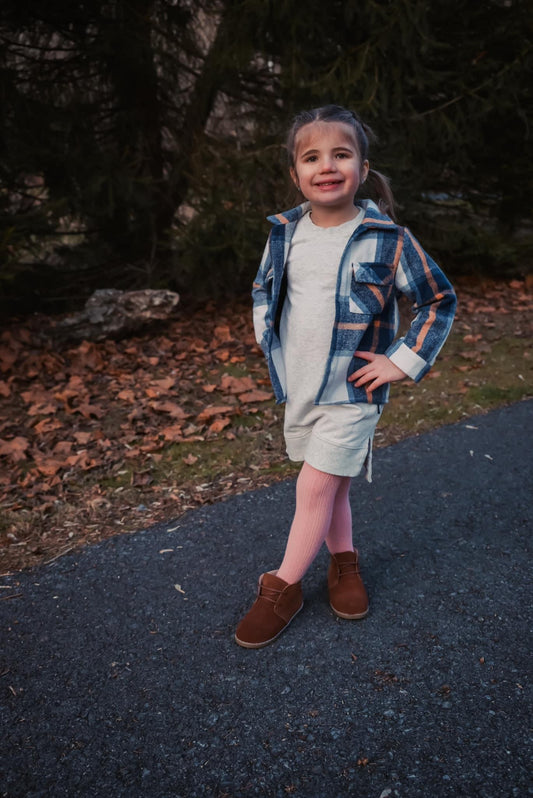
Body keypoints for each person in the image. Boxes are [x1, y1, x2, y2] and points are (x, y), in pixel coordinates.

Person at [235, 104, 457, 649]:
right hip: (302, 386)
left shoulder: (388, 238)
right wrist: (270, 341)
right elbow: (265, 290)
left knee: (313, 484)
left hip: (353, 391)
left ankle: (282, 588)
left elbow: (437, 300)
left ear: (361, 166)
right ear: (295, 173)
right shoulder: (284, 233)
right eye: (312, 157)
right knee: (333, 487)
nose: (326, 165)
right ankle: (345, 564)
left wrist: (399, 361)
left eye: (341, 153)